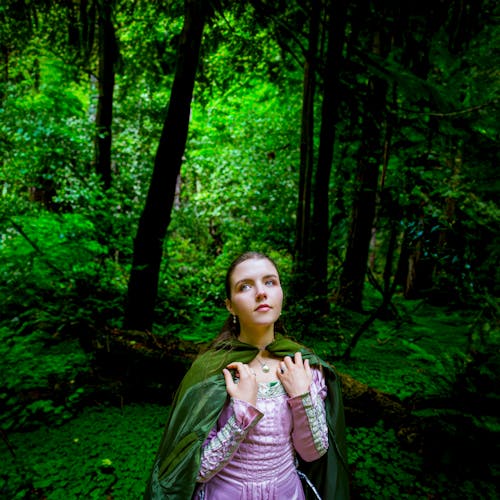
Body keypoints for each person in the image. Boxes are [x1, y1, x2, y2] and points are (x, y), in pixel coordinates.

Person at [144, 252, 349, 499]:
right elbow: (194, 471)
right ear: (230, 305)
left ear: (281, 292)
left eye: (270, 282)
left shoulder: (302, 366)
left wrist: (302, 396)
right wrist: (241, 415)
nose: (261, 292)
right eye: (245, 286)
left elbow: (313, 454)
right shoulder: (212, 370)